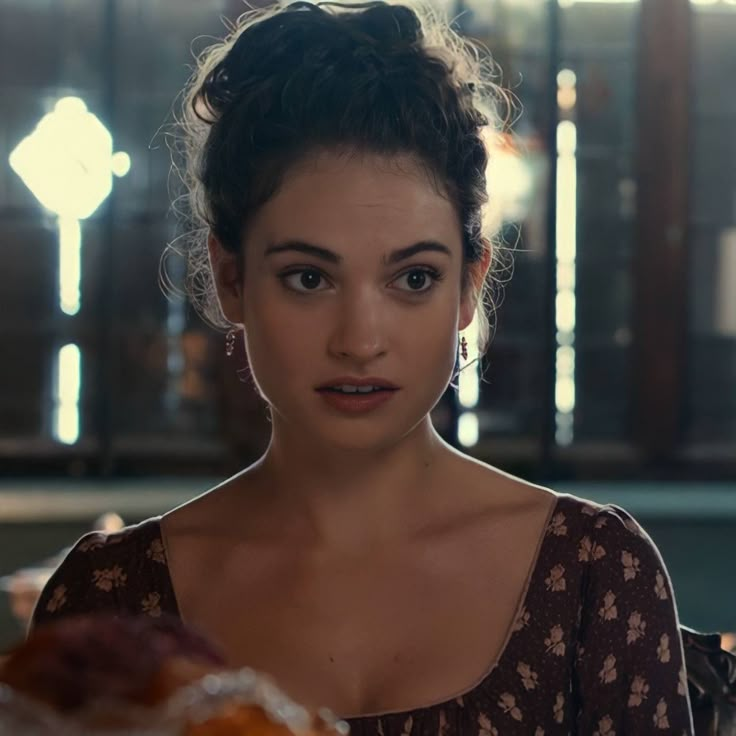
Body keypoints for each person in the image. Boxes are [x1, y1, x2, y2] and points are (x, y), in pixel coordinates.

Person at [30, 1, 695, 733]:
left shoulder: (595, 579)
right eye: (309, 278)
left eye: (412, 279)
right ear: (230, 278)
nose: (359, 340)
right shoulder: (113, 601)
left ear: (470, 284)